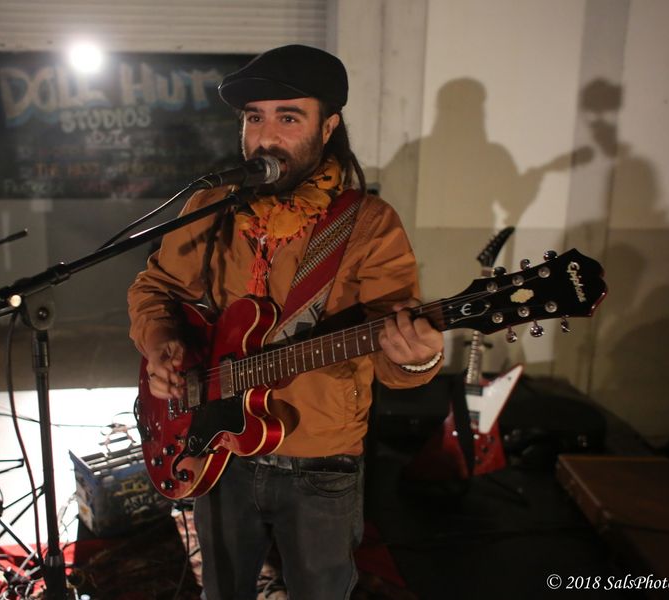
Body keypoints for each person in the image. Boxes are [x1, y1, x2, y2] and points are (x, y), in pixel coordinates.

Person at [128, 44, 444, 600]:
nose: (265, 137)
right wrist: (160, 342)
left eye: (288, 118)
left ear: (329, 127)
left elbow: (396, 360)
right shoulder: (211, 205)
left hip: (321, 458)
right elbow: (156, 289)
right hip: (217, 443)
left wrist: (416, 357)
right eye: (254, 118)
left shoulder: (369, 225)